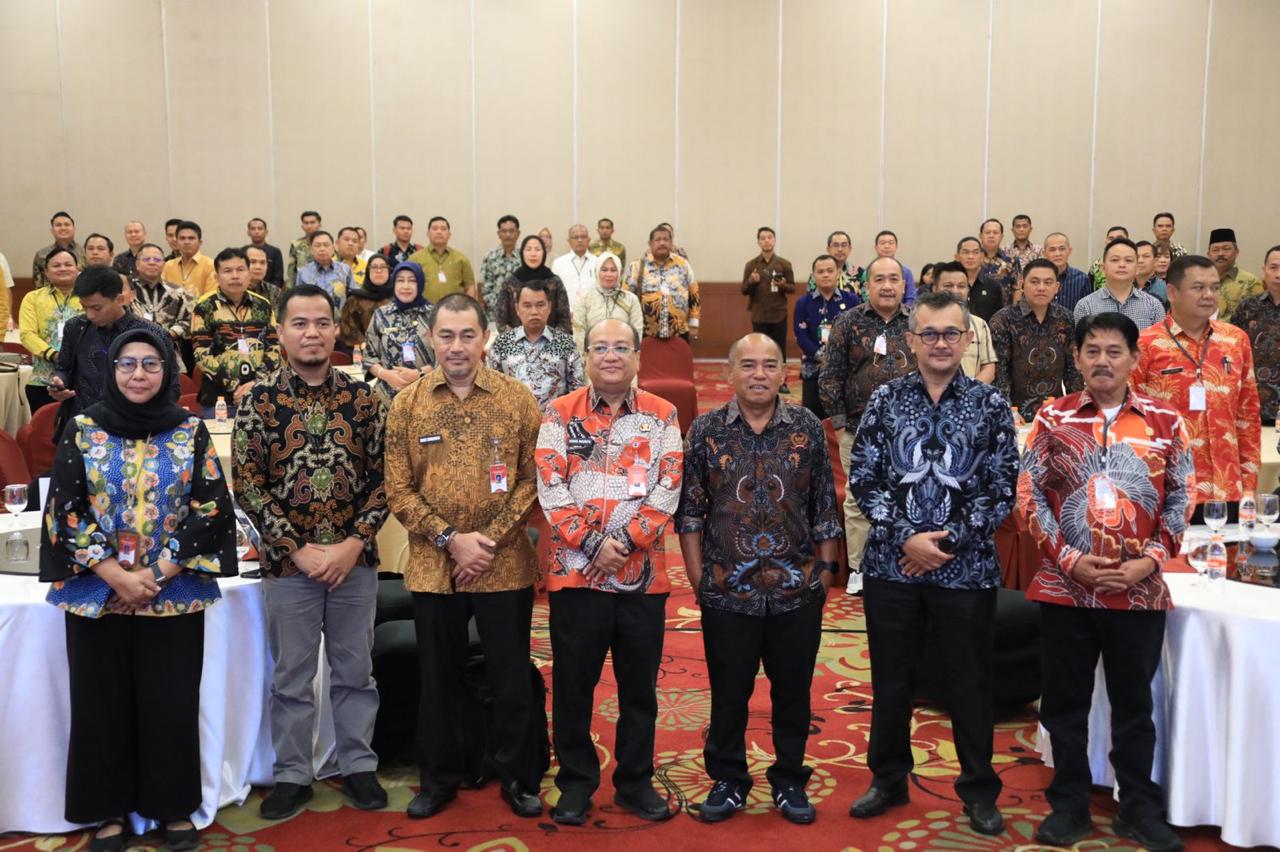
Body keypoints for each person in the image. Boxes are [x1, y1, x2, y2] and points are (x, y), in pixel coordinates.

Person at [41, 326, 237, 852]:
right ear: (111, 370)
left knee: (170, 702)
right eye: (127, 363)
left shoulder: (189, 430)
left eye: (151, 363)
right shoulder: (82, 428)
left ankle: (171, 807)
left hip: (171, 593)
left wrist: (157, 574)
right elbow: (65, 509)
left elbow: (211, 507)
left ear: (167, 370)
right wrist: (115, 574)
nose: (138, 374)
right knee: (100, 703)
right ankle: (107, 812)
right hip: (96, 592)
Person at [844, 291, 1017, 837]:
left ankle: (979, 789)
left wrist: (944, 544)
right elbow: (864, 477)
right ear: (911, 340)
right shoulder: (885, 399)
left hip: (967, 571)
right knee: (891, 679)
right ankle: (888, 778)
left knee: (969, 681)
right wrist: (906, 539)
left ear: (967, 339)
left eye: (950, 334)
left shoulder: (990, 405)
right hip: (892, 567)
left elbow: (1002, 487)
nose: (940, 344)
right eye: (929, 334)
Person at [1018, 311, 1193, 852]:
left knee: (1134, 706)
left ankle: (1137, 807)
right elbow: (1028, 493)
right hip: (1065, 589)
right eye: (1091, 350)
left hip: (1138, 591)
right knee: (1064, 704)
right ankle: (1069, 805)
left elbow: (1182, 498)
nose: (1102, 361)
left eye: (1114, 351)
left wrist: (1151, 560)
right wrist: (1068, 558)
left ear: (1134, 358)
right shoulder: (1053, 418)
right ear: (1076, 358)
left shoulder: (1165, 421)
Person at [384, 294, 545, 820]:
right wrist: (452, 539)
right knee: (438, 680)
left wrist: (487, 541)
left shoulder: (517, 399)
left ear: (485, 339)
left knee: (510, 677)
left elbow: (532, 479)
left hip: (505, 563)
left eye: (468, 335)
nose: (457, 346)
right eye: (447, 335)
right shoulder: (408, 404)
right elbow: (398, 489)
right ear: (432, 339)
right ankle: (439, 779)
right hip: (435, 567)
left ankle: (518, 777)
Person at [233, 284, 390, 820]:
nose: (312, 333)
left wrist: (352, 544)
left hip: (354, 563)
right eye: (299, 323)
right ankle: (293, 774)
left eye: (322, 322)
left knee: (355, 673)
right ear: (279, 332)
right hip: (288, 566)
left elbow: (385, 481)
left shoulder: (365, 399)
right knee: (291, 678)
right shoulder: (257, 402)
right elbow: (248, 486)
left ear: (336, 330)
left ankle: (358, 765)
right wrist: (296, 549)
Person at [679, 333, 843, 826]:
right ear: (729, 373)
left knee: (793, 692)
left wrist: (825, 574)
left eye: (769, 365)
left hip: (797, 589)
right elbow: (690, 511)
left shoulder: (806, 427)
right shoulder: (707, 430)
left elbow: (824, 507)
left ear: (784, 374)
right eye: (747, 365)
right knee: (729, 692)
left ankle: (790, 778)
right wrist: (699, 579)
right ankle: (729, 778)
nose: (758, 374)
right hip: (727, 590)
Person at [534, 317, 683, 825]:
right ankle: (576, 784)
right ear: (585, 357)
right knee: (573, 687)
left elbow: (669, 486)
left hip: (642, 579)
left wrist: (625, 542)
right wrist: (595, 544)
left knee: (639, 690)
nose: (611, 356)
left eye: (621, 347)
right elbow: (550, 487)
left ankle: (635, 783)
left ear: (638, 357)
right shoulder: (558, 413)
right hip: (576, 577)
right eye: (600, 347)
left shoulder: (663, 415)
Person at [1133, 255, 1260, 521]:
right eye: (1198, 287)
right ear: (1172, 292)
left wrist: (1249, 485)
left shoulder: (1235, 340)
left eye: (1214, 287)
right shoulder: (1146, 345)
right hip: (1169, 490)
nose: (1209, 295)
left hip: (1227, 490)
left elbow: (1247, 417)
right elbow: (1132, 422)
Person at [818, 256, 916, 595]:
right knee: (859, 499)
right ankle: (859, 568)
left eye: (894, 279)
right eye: (879, 279)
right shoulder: (848, 322)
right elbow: (830, 376)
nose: (887, 286)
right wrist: (841, 426)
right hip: (858, 429)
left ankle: (902, 563)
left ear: (904, 285)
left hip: (910, 433)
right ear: (867, 285)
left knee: (908, 496)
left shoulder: (917, 323)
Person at [52, 266, 180, 424]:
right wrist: (60, 383)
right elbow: (64, 367)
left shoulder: (152, 334)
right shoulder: (76, 327)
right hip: (83, 421)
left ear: (119, 300)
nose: (90, 315)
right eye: (84, 307)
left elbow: (172, 387)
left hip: (135, 422)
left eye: (97, 308)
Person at [989, 258, 1083, 421]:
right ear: (1022, 284)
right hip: (1016, 415)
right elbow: (999, 373)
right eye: (1034, 282)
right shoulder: (1003, 320)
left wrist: (1077, 410)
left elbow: (1073, 371)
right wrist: (1006, 412)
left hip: (1056, 413)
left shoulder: (1065, 318)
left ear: (1057, 287)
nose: (1041, 288)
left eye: (1048, 282)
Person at [190, 247, 280, 417]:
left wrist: (255, 384)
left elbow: (274, 350)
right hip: (219, 399)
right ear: (217, 277)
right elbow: (201, 355)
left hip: (261, 395)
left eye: (240, 270)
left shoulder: (263, 306)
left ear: (249, 274)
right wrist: (234, 386)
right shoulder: (204, 308)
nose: (235, 276)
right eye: (227, 271)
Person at [488, 279, 584, 411]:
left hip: (556, 420)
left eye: (540, 305)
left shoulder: (566, 343)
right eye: (527, 306)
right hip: (512, 420)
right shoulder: (501, 344)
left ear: (549, 307)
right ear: (517, 309)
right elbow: (490, 388)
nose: (534, 311)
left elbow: (578, 390)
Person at [19, 246, 83, 414]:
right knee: (43, 427)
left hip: (82, 379)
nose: (63, 268)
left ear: (78, 269)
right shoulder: (33, 298)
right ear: (46, 272)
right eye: (56, 265)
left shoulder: (88, 298)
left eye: (68, 264)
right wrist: (53, 355)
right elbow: (27, 334)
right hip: (42, 380)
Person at [794, 254, 858, 418]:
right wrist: (821, 356)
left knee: (842, 418)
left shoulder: (852, 301)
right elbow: (800, 335)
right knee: (812, 417)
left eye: (830, 271)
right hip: (813, 368)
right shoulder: (803, 303)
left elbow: (857, 333)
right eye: (820, 272)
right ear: (814, 276)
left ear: (838, 273)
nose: (825, 275)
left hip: (844, 369)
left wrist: (836, 357)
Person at [363, 261, 436, 399]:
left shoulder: (434, 315)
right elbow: (369, 357)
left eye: (412, 280)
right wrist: (386, 375)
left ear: (420, 284)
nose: (405, 286)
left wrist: (419, 373)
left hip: (427, 396)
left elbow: (445, 360)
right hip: (387, 396)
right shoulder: (381, 314)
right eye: (400, 280)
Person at [1229, 245, 1280, 424]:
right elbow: (1231, 351)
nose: (1278, 274)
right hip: (1251, 407)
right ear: (1264, 270)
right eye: (1273, 267)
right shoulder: (1248, 307)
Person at [741, 226, 796, 388]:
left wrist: (783, 285)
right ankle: (760, 379)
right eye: (763, 238)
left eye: (769, 237)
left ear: (774, 240)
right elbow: (744, 290)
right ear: (758, 242)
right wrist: (751, 281)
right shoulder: (751, 265)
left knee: (779, 349)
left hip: (779, 313)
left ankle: (781, 381)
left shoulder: (784, 264)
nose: (766, 241)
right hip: (759, 314)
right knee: (759, 350)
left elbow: (792, 288)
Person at [625, 226, 700, 341]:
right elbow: (626, 297)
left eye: (666, 239)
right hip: (645, 332)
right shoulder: (637, 266)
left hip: (679, 332)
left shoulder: (683, 264)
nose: (662, 243)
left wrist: (694, 323)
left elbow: (694, 294)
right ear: (650, 243)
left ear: (671, 243)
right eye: (658, 239)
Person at [1073, 238, 1165, 330]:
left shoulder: (1154, 306)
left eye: (1128, 260)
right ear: (1103, 268)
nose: (1122, 265)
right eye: (1115, 260)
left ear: (1137, 269)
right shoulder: (1086, 306)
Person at [932, 262, 996, 383]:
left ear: (968, 290)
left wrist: (969, 391)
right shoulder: (922, 324)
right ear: (935, 289)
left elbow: (988, 368)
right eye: (948, 286)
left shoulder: (980, 325)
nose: (955, 291)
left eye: (961, 286)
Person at [494, 235, 572, 334]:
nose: (533, 254)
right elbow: (501, 321)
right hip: (516, 341)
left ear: (544, 253)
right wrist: (517, 339)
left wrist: (551, 340)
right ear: (522, 253)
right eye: (528, 249)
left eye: (537, 249)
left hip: (552, 340)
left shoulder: (555, 282)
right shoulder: (510, 282)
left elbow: (565, 320)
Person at [130, 243, 193, 362]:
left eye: (157, 259)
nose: (152, 263)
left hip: (169, 352)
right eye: (146, 259)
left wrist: (169, 334)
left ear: (163, 264)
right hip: (131, 350)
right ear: (137, 264)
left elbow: (187, 320)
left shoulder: (178, 292)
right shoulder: (127, 291)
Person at [571, 252, 643, 350]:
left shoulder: (631, 299)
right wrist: (587, 354)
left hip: (622, 354)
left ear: (620, 273)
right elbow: (578, 331)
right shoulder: (585, 299)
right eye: (604, 270)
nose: (608, 274)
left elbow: (637, 333)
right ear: (597, 272)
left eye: (613, 270)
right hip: (594, 354)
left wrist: (628, 353)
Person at [408, 216, 478, 302]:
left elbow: (470, 286)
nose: (439, 232)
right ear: (428, 234)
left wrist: (467, 306)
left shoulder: (461, 259)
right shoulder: (414, 259)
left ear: (449, 235)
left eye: (443, 229)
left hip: (455, 307)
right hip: (424, 308)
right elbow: (408, 286)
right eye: (435, 228)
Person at [1208, 227, 1263, 322]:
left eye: (1226, 249)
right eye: (1215, 250)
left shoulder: (1251, 282)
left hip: (1235, 330)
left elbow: (1256, 317)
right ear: (1208, 254)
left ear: (1236, 252)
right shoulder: (1202, 280)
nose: (1220, 253)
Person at [340, 253, 394, 349]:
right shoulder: (355, 299)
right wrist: (370, 348)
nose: (379, 271)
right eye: (374, 267)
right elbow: (348, 330)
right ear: (368, 271)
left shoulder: (398, 298)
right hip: (362, 351)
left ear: (389, 270)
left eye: (383, 267)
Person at [295, 230, 354, 308]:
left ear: (333, 249)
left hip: (339, 315)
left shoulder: (345, 269)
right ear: (311, 250)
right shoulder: (303, 272)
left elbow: (352, 297)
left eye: (326, 245)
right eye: (317, 245)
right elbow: (298, 299)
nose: (322, 249)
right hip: (312, 314)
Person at [480, 215, 522, 323]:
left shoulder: (524, 257)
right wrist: (499, 307)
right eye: (504, 231)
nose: (508, 235)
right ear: (499, 234)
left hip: (520, 314)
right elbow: (484, 287)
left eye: (511, 231)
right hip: (494, 315)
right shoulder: (490, 257)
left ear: (518, 233)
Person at [163, 221, 217, 299]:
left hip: (202, 307)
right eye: (182, 238)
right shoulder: (168, 266)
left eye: (191, 238)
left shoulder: (211, 265)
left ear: (200, 243)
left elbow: (211, 298)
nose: (186, 242)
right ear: (177, 242)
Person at [956, 236, 1004, 322]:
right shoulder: (951, 285)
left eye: (975, 252)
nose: (970, 256)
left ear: (982, 257)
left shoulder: (993, 286)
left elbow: (998, 319)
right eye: (966, 252)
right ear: (957, 257)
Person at [1043, 232, 1093, 312]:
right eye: (1052, 250)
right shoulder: (1037, 280)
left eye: (1062, 249)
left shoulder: (1082, 279)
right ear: (1044, 253)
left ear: (1069, 251)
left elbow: (1087, 312)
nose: (1057, 254)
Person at [32, 210, 84, 288]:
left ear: (74, 229)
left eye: (67, 225)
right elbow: (38, 285)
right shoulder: (41, 255)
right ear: (52, 230)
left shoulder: (85, 252)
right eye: (58, 225)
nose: (63, 228)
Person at [551, 224, 599, 306]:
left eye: (583, 237)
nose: (580, 240)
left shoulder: (597, 262)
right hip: (566, 311)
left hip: (593, 310)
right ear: (569, 241)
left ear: (589, 240)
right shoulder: (558, 263)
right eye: (576, 237)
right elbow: (553, 291)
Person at [805, 230, 863, 296]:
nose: (840, 249)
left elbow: (866, 299)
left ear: (850, 249)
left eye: (844, 245)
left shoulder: (860, 273)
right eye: (835, 245)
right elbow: (811, 299)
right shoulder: (818, 274)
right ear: (828, 249)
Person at [866, 230, 916, 302]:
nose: (887, 246)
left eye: (891, 243)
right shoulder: (867, 271)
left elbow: (910, 298)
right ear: (876, 247)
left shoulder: (906, 272)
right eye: (883, 243)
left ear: (896, 247)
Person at [978, 219, 1017, 302]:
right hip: (975, 308)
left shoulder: (1012, 260)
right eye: (987, 232)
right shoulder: (973, 259)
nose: (991, 236)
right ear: (980, 236)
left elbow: (1017, 289)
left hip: (1004, 308)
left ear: (1001, 236)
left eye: (995, 233)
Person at [246, 217, 286, 288]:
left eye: (260, 228)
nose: (256, 231)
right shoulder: (242, 251)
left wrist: (271, 291)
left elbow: (278, 278)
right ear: (248, 233)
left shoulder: (275, 252)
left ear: (266, 232)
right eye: (253, 229)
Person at [287, 210, 322, 286]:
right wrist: (290, 288)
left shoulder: (327, 244)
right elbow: (291, 271)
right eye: (306, 223)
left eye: (312, 222)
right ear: (302, 226)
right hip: (302, 286)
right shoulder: (296, 244)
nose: (309, 226)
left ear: (319, 225)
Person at [1089, 225, 1129, 290]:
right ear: (1106, 241)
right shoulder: (1096, 266)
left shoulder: (1134, 263)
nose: (1114, 241)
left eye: (1119, 238)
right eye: (1111, 238)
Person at [1134, 240, 1168, 308]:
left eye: (1146, 256)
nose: (1140, 261)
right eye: (1137, 257)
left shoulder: (1165, 289)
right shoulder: (1125, 286)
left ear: (1155, 260)